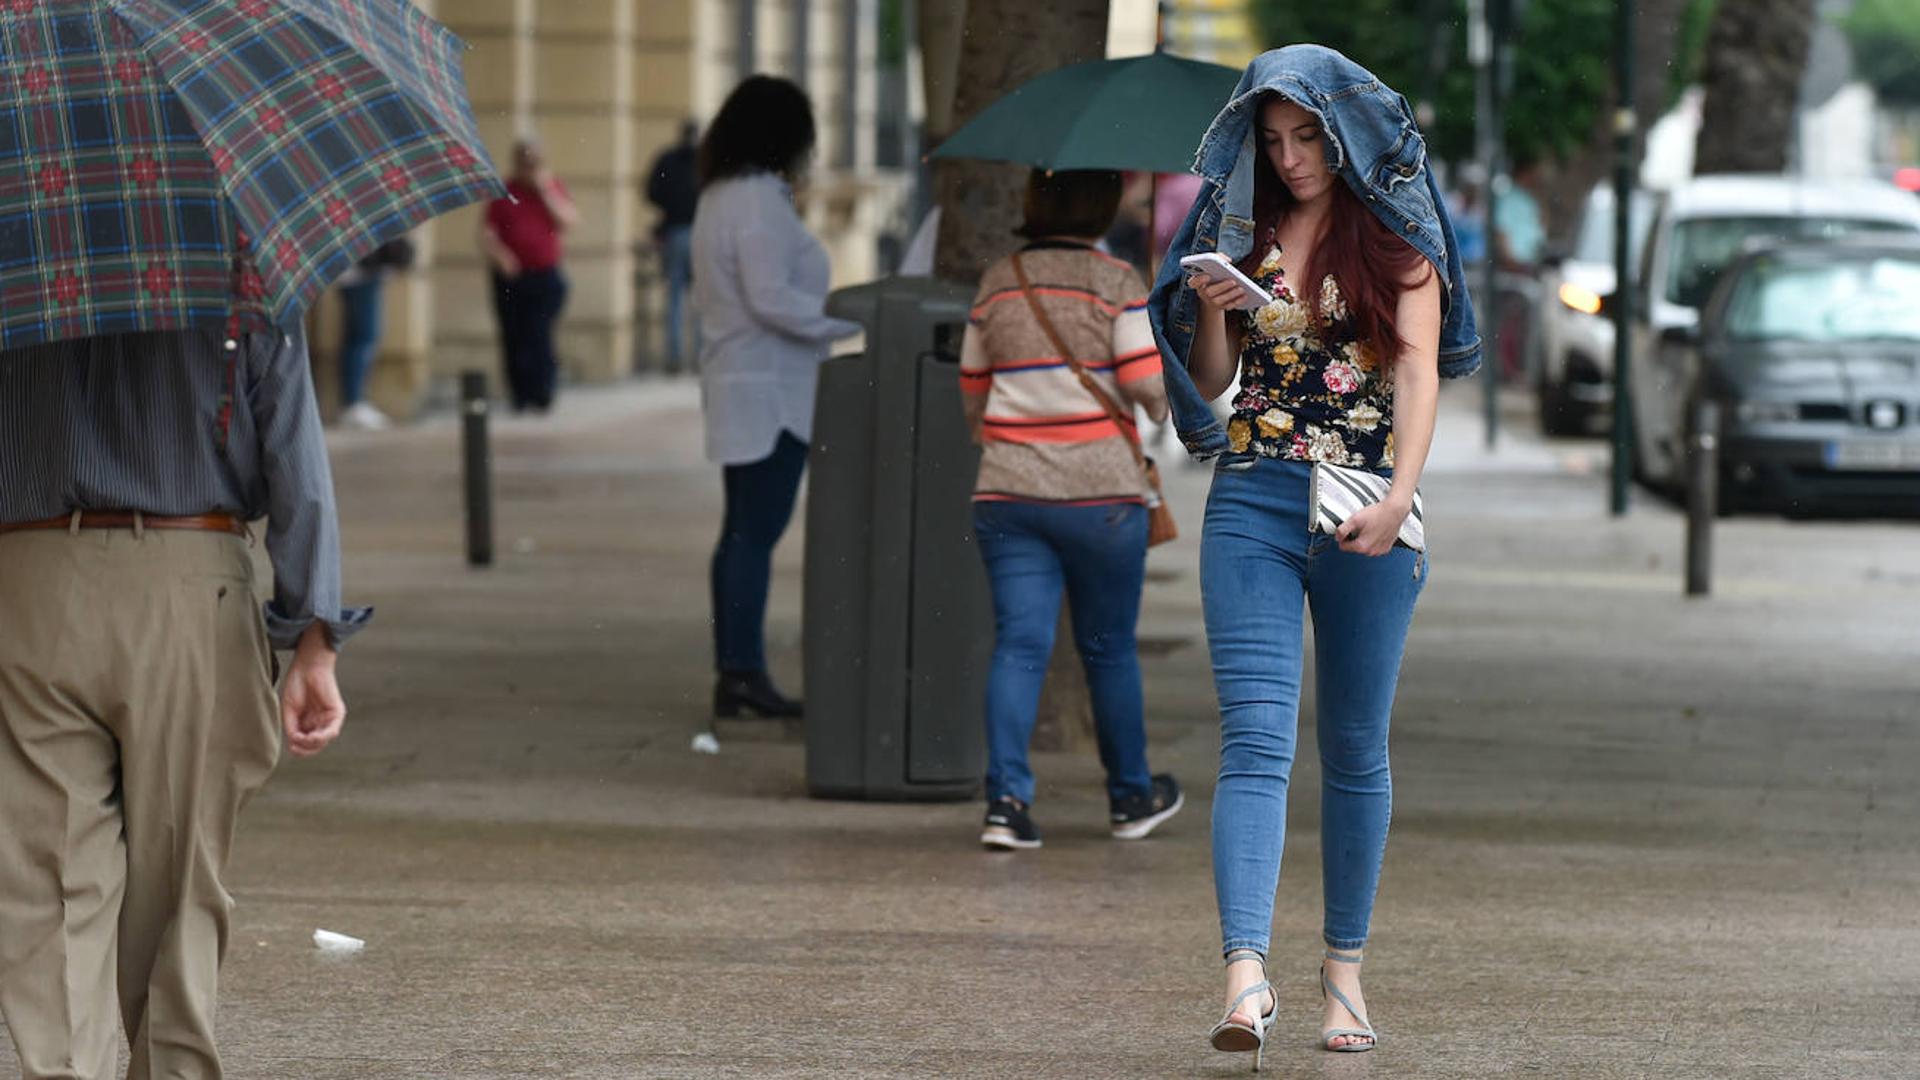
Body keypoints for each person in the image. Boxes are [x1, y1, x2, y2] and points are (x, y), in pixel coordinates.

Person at [1148, 45, 1481, 1066]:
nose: (1290, 159)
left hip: (1366, 507)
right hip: (1251, 492)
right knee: (1253, 740)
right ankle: (1245, 976)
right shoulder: (1241, 234)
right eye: (1273, 139)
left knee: (1353, 747)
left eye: (1306, 138)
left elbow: (1420, 372)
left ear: (1342, 135)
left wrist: (1397, 498)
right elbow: (1210, 385)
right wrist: (1213, 308)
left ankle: (1344, 973)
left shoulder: (1394, 235)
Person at [0, 328, 364, 1080]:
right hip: (190, 573)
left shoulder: (17, 247)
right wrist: (315, 637)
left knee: (50, 876)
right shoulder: (241, 259)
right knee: (182, 881)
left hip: (28, 576)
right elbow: (295, 453)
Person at [958, 168, 1184, 852]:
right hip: (1101, 499)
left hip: (1009, 495)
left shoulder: (999, 281)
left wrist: (1015, 442)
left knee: (1020, 647)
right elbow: (1150, 394)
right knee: (1109, 651)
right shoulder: (1116, 282)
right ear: (1103, 205)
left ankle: (1005, 803)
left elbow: (972, 392)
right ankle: (1129, 796)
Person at [692, 76, 858, 719]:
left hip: (743, 379)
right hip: (771, 389)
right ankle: (742, 671)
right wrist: (849, 319)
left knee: (740, 533)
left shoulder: (719, 196)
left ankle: (736, 669)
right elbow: (769, 298)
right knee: (752, 535)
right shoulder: (758, 199)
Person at [482, 139, 578, 412]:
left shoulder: (552, 186)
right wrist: (501, 255)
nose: (528, 168)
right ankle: (520, 394)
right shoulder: (505, 191)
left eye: (533, 163)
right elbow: (487, 233)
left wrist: (545, 191)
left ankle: (543, 390)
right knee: (514, 335)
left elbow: (569, 221)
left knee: (540, 332)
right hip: (512, 278)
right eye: (524, 163)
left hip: (545, 275)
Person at [334, 235, 416, 430]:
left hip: (362, 273)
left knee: (360, 337)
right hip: (361, 274)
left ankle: (354, 402)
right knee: (364, 336)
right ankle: (353, 403)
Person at [647, 120, 700, 373]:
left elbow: (652, 192)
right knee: (699, 299)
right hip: (700, 233)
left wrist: (670, 207)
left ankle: (675, 357)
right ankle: (700, 356)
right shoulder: (707, 162)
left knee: (675, 298)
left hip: (675, 231)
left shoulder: (668, 159)